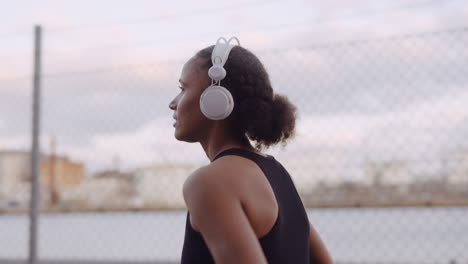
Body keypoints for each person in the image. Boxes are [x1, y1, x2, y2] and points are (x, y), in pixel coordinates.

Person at [169, 37, 332, 264]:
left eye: (182, 88)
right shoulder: (276, 171)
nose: (173, 103)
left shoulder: (209, 182)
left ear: (215, 99)